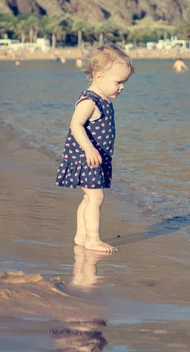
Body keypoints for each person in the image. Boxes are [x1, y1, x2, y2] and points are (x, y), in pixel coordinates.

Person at [55, 44, 134, 252]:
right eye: (118, 82)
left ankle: (82, 236)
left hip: (94, 156)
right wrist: (89, 149)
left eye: (124, 82)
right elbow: (75, 125)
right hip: (86, 155)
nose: (122, 87)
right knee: (96, 197)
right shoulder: (89, 101)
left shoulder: (103, 100)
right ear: (99, 77)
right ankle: (92, 239)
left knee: (89, 197)